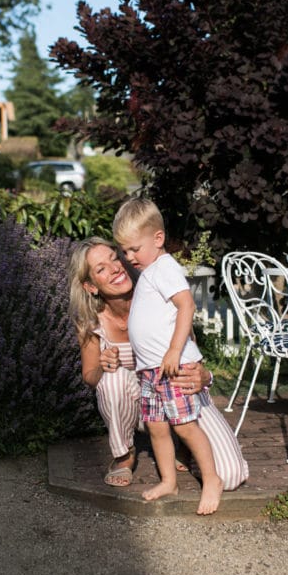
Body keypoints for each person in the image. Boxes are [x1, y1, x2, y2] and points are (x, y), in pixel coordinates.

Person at [67, 237, 248, 499]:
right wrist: (104, 367)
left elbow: (192, 353)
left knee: (230, 476)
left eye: (114, 258)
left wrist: (204, 377)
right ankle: (124, 455)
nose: (115, 268)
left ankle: (185, 442)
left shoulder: (160, 293)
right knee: (112, 379)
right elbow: (89, 375)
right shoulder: (91, 322)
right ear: (90, 286)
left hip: (181, 391)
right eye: (101, 268)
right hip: (142, 402)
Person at [112, 198, 230, 515]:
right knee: (157, 428)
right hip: (151, 371)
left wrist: (175, 350)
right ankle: (168, 481)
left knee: (185, 427)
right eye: (124, 251)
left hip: (172, 367)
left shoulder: (165, 268)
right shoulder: (149, 272)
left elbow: (186, 306)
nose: (128, 256)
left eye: (134, 248)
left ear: (158, 239)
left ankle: (212, 479)